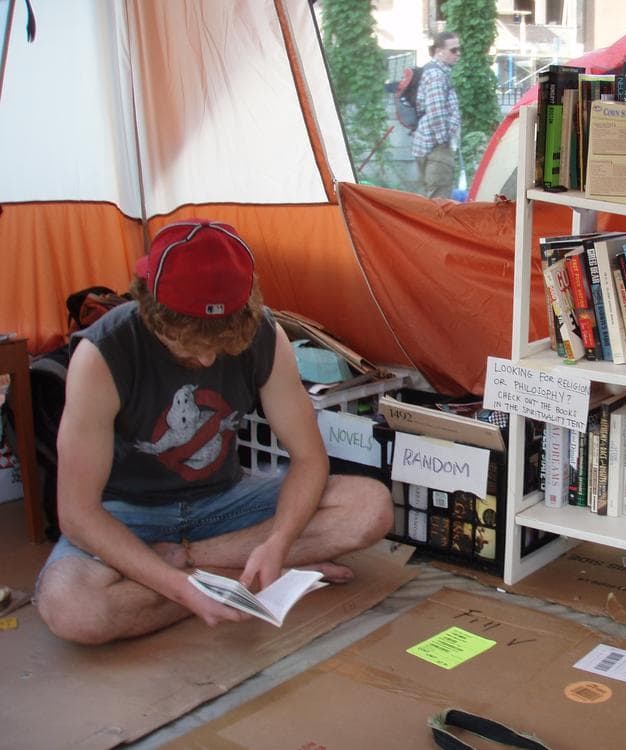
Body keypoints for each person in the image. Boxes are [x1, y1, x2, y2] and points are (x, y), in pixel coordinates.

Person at [35, 219, 394, 644]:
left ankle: (207, 565)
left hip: (223, 505)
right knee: (73, 609)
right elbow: (77, 514)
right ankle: (237, 579)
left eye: (221, 346)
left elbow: (308, 458)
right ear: (152, 313)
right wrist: (179, 588)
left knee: (370, 506)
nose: (207, 361)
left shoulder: (265, 334)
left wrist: (279, 541)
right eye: (188, 346)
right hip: (128, 516)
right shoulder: (103, 353)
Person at [412, 31, 462, 199]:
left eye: (459, 49)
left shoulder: (436, 72)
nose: (458, 54)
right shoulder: (436, 75)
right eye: (453, 50)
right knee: (439, 203)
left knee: (431, 199)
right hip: (436, 149)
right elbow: (436, 113)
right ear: (439, 51)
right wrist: (444, 142)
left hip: (430, 146)